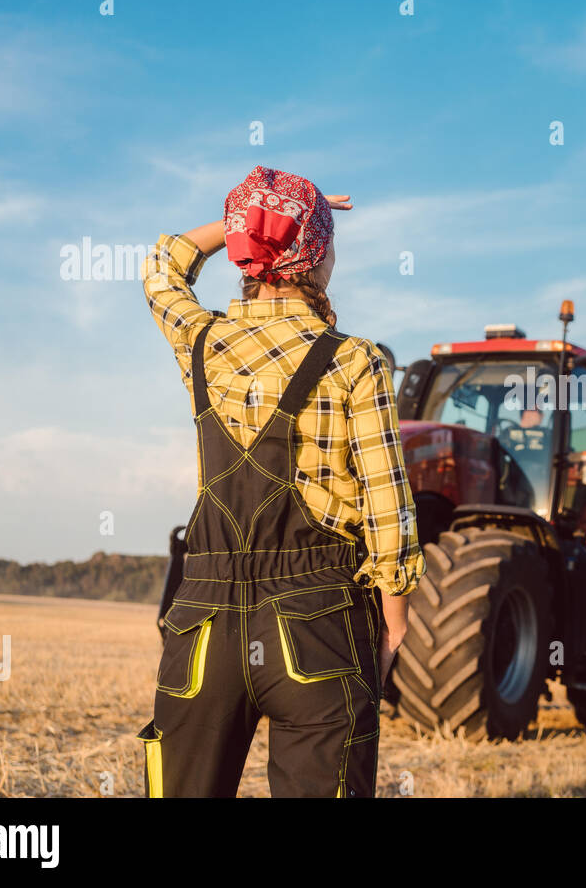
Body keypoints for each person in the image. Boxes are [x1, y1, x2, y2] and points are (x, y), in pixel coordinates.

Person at [137, 166, 424, 797]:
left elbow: (163, 265)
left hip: (202, 625)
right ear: (316, 259)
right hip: (318, 620)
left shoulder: (203, 340)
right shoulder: (355, 359)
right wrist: (395, 619)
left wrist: (248, 221)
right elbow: (388, 505)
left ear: (245, 252)